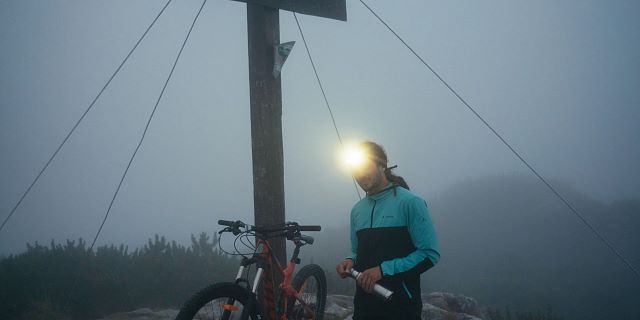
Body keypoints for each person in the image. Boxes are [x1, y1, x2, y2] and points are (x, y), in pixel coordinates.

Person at [336, 141, 440, 320]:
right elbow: (356, 251)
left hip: (400, 308)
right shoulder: (357, 210)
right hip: (363, 308)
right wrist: (350, 261)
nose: (359, 174)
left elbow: (429, 254)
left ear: (382, 165)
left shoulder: (410, 202)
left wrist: (383, 270)